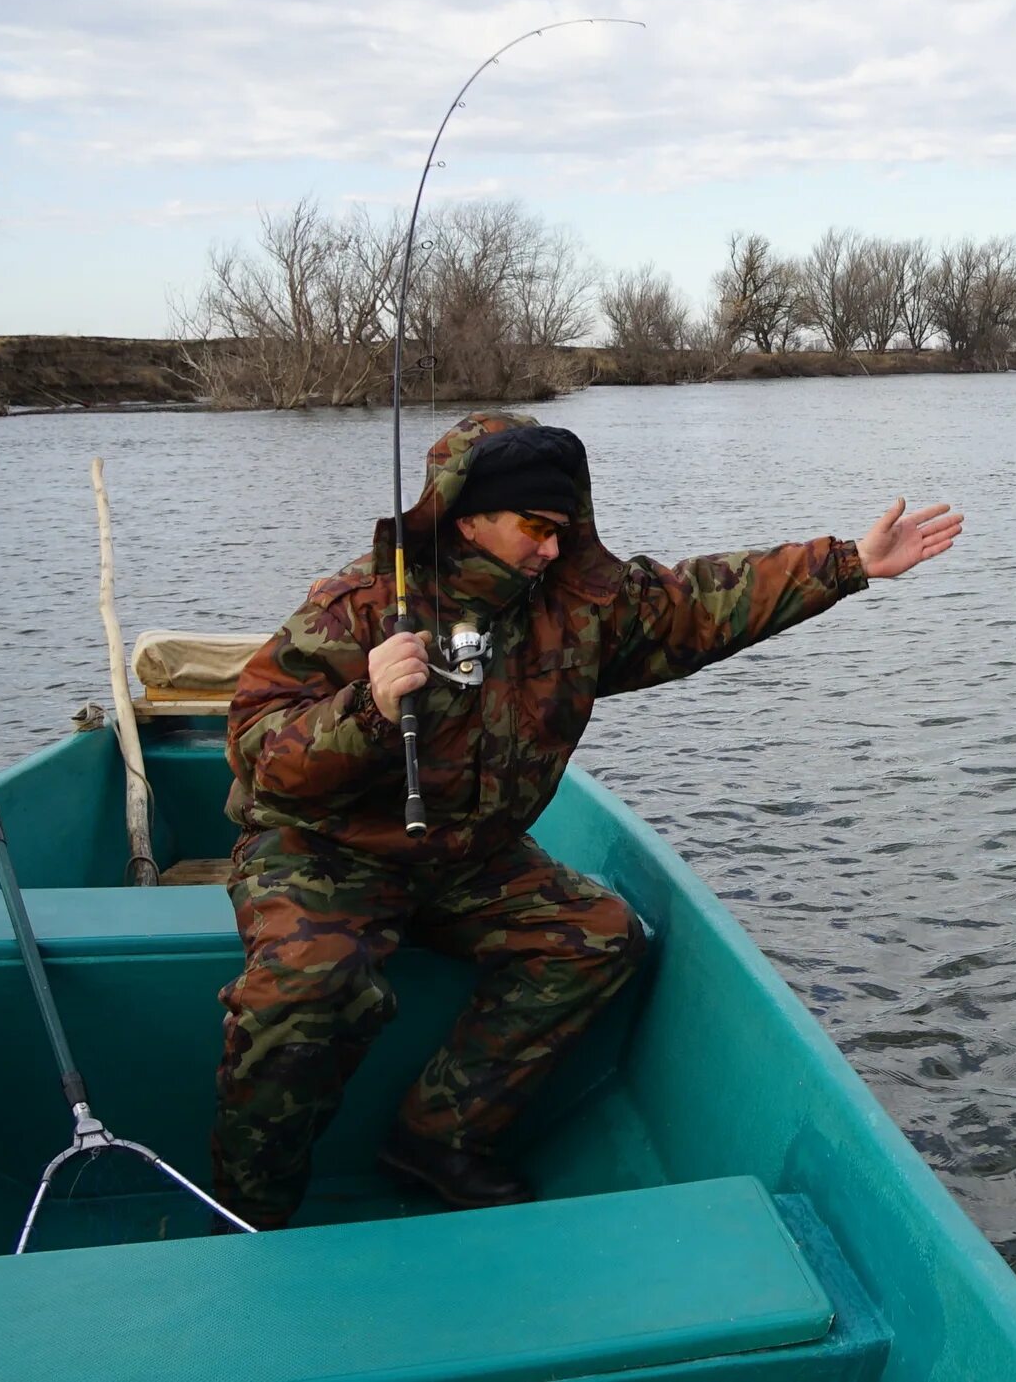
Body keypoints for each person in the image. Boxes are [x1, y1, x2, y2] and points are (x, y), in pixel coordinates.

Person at [211, 412, 960, 1228]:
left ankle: (438, 1135)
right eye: (535, 528)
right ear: (469, 517)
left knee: (600, 937)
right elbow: (256, 754)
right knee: (307, 990)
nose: (553, 549)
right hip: (324, 850)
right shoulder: (355, 606)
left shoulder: (580, 606)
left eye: (563, 528)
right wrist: (368, 707)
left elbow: (704, 600)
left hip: (467, 856)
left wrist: (849, 563)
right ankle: (250, 1212)